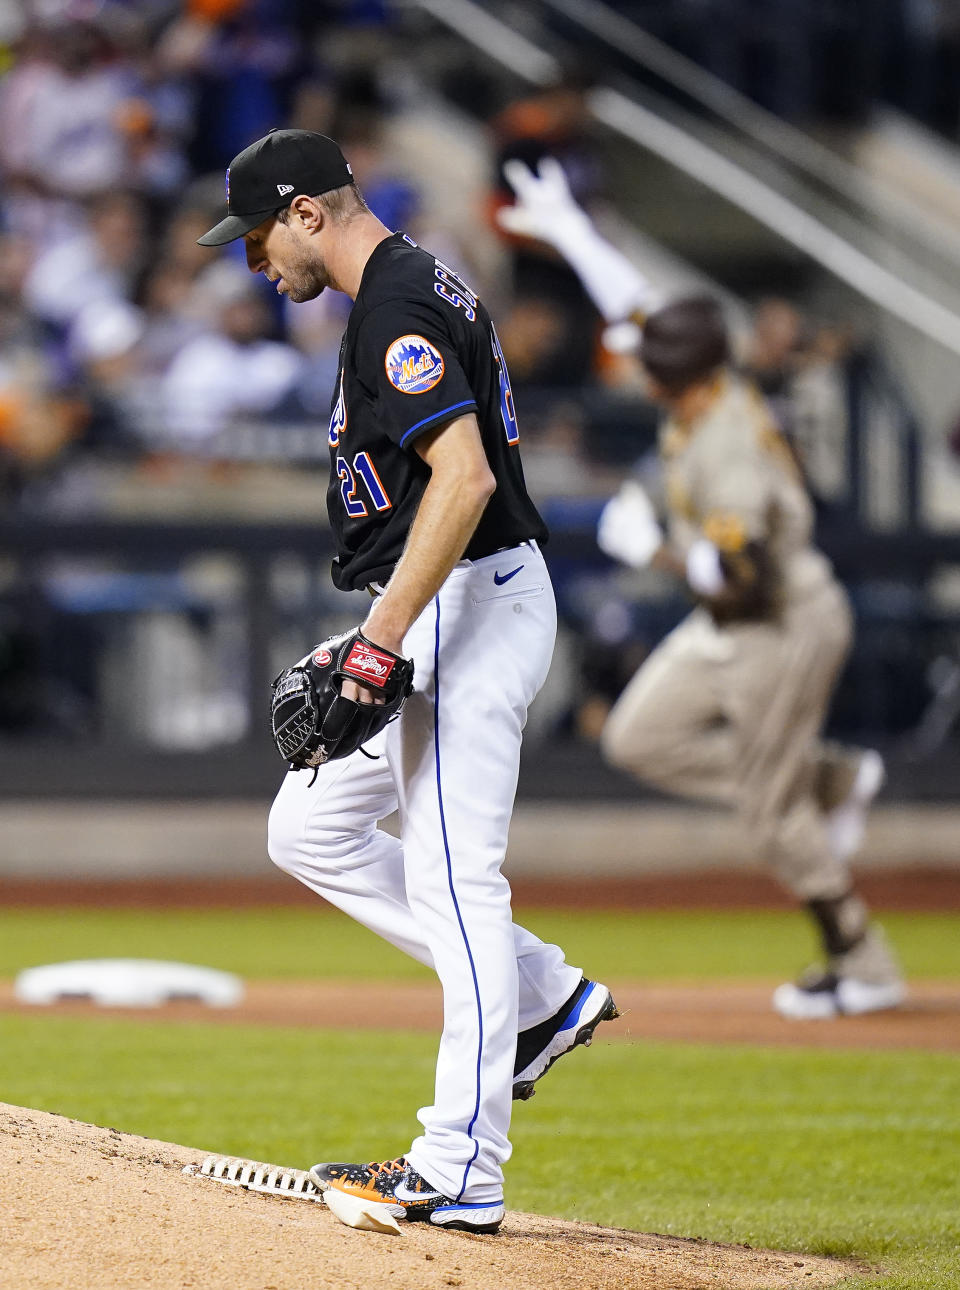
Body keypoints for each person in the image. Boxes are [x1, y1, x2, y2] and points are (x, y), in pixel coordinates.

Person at [196, 130, 617, 1234]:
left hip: (463, 603)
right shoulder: (408, 278)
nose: (253, 264)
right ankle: (540, 997)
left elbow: (465, 478)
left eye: (254, 238)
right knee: (312, 828)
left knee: (452, 880)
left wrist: (379, 641)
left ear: (304, 213)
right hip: (447, 599)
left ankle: (460, 1165)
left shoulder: (392, 307)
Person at [497, 161, 905, 1022]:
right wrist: (570, 229)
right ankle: (825, 778)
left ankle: (861, 960)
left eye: (647, 366)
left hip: (781, 620)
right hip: (730, 621)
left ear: (676, 379)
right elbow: (639, 303)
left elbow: (743, 576)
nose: (634, 369)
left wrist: (656, 552)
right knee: (641, 738)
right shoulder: (709, 373)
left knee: (770, 814)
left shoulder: (727, 446)